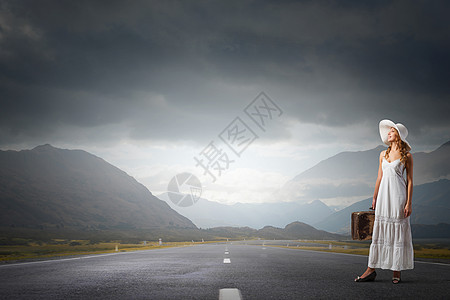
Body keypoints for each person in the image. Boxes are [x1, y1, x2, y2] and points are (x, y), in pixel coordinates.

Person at [355, 119, 414, 284]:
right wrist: (374, 197)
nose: (389, 133)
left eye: (392, 130)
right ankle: (370, 270)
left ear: (399, 135)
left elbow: (410, 181)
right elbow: (379, 177)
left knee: (397, 232)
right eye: (388, 131)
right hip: (383, 197)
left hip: (398, 197)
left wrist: (409, 203)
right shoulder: (383, 154)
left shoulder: (407, 156)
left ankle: (397, 271)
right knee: (379, 232)